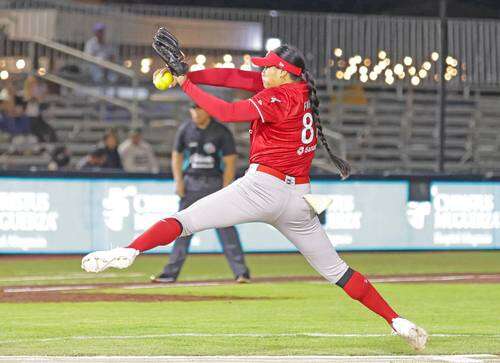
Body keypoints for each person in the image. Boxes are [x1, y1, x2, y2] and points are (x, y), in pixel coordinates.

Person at [82, 44, 427, 351]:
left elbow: (228, 113)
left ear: (284, 72)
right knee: (337, 271)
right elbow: (235, 78)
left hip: (263, 188)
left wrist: (186, 85)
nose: (262, 70)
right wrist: (188, 72)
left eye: (268, 66)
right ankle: (397, 321)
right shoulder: (301, 89)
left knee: (186, 219)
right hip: (298, 199)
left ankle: (129, 251)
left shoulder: (278, 98)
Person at [152, 103, 250, 283]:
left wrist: (226, 189)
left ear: (208, 110)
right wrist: (179, 181)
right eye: (193, 109)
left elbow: (230, 161)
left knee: (226, 228)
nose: (195, 113)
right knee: (182, 229)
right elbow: (177, 155)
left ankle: (241, 272)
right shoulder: (185, 129)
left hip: (214, 183)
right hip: (191, 183)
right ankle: (170, 273)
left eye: (199, 109)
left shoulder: (221, 131)